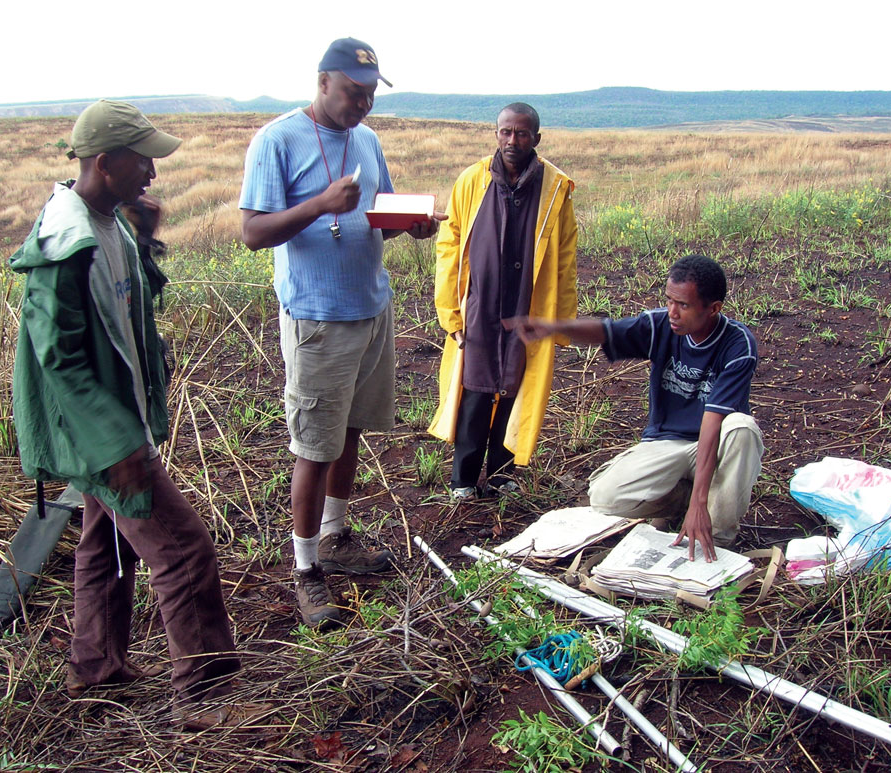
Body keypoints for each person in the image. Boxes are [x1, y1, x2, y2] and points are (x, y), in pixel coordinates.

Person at [11, 100, 265, 731]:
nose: (152, 169)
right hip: (102, 437)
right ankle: (204, 695)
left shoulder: (109, 221)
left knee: (105, 547)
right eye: (143, 158)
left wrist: (146, 237)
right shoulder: (62, 242)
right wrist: (116, 446)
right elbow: (59, 361)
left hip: (115, 427)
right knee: (183, 551)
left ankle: (97, 668)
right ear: (105, 162)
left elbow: (132, 306)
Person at [239, 38, 443, 628]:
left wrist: (414, 225)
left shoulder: (368, 140)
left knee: (349, 430)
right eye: (355, 91)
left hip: (370, 308)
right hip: (318, 319)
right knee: (313, 447)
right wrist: (319, 203)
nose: (364, 104)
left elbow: (377, 209)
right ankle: (306, 570)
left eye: (372, 93)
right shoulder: (276, 140)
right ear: (323, 81)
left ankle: (335, 535)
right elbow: (254, 233)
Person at [510, 254, 763, 562]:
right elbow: (608, 331)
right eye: (669, 300)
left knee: (742, 428)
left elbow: (713, 421)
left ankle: (717, 537)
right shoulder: (660, 325)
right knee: (605, 497)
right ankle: (681, 503)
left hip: (715, 443)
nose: (673, 312)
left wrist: (700, 506)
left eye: (683, 305)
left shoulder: (737, 344)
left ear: (713, 309)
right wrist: (553, 327)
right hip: (668, 443)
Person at [428, 103, 577, 501]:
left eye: (522, 134)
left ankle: (500, 473)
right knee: (474, 389)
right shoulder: (472, 181)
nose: (513, 141)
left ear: (536, 139)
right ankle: (463, 478)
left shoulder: (555, 188)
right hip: (479, 303)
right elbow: (449, 246)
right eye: (506, 132)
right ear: (496, 134)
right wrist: (451, 312)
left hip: (528, 305)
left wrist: (560, 321)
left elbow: (565, 257)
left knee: (515, 388)